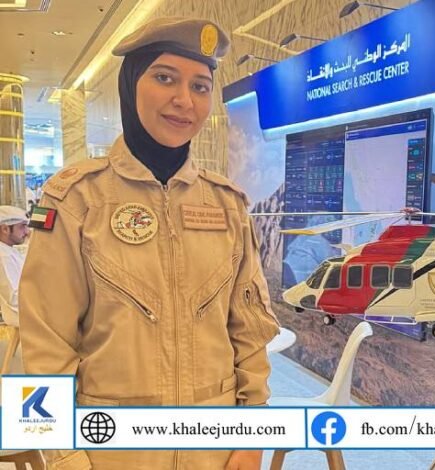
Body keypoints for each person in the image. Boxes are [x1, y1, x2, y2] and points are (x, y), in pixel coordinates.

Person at [19, 17, 279, 470]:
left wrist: (252, 434)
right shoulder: (76, 199)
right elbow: (45, 345)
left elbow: (249, 332)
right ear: (130, 84)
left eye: (200, 86)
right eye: (164, 78)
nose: (184, 100)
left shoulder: (227, 205)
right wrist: (64, 458)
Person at [0, 206, 29, 328]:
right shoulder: (3, 255)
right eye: (22, 226)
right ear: (5, 229)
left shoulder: (8, 250)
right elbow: (14, 298)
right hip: (22, 317)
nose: (27, 232)